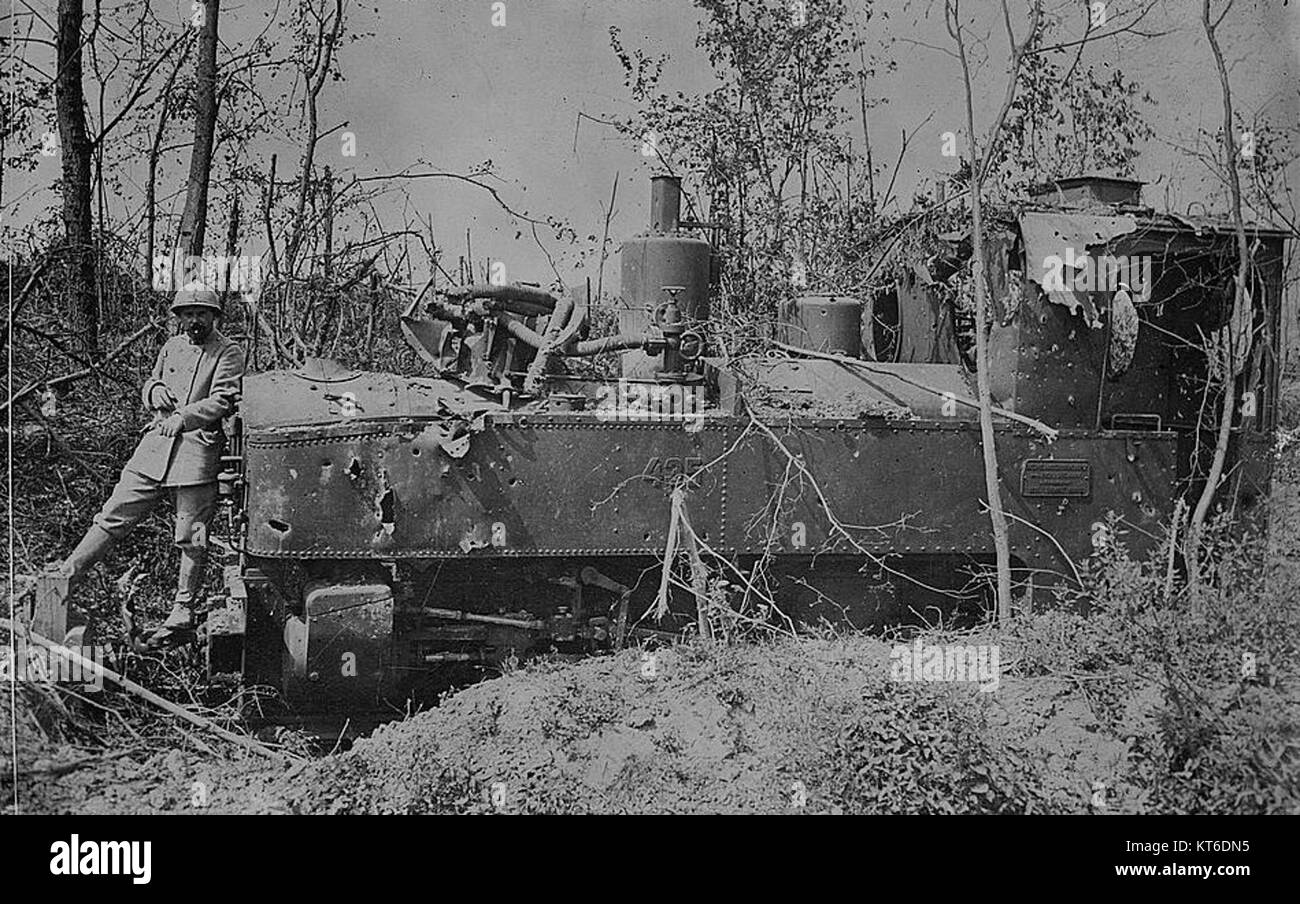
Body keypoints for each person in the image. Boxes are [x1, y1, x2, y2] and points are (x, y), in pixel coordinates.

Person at [35, 288, 246, 645]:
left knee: (191, 535)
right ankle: (65, 579)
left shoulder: (228, 351)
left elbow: (223, 399)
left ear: (214, 317)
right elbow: (150, 382)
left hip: (197, 452)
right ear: (179, 316)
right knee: (113, 513)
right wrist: (155, 391)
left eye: (201, 314)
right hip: (154, 447)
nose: (194, 321)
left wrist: (184, 417)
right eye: (187, 313)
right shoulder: (172, 346)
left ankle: (182, 609)